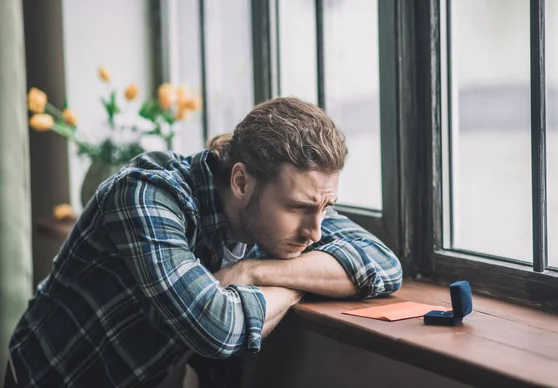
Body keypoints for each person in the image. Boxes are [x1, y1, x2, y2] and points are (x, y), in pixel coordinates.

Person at [6, 97, 403, 387]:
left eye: (326, 207)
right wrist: (298, 284)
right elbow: (216, 328)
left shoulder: (295, 202)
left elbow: (382, 264)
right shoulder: (146, 194)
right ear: (242, 181)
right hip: (55, 376)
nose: (315, 231)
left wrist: (255, 270)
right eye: (299, 208)